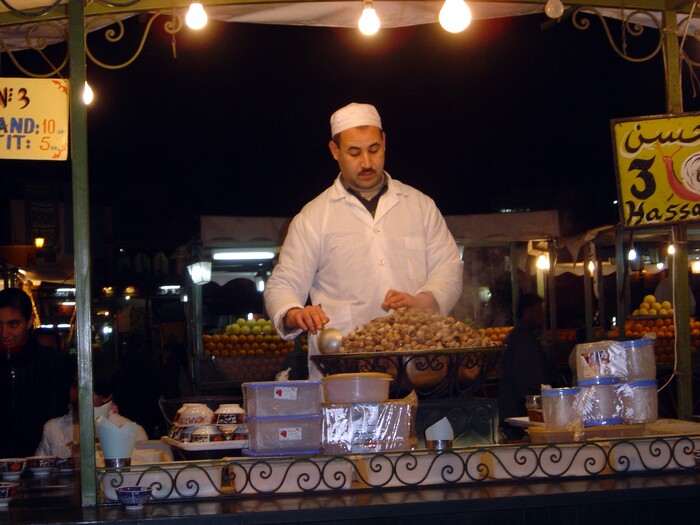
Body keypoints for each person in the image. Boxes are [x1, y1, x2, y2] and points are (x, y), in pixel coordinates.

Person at [264, 102, 464, 378]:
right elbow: (283, 283)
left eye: (374, 150)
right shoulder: (314, 216)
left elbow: (449, 267)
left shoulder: (420, 206)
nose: (367, 163)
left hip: (419, 362)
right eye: (354, 153)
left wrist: (426, 300)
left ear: (384, 142)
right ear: (335, 151)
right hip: (345, 368)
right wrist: (294, 312)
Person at [0, 287, 74, 457]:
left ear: (29, 321)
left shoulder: (56, 362)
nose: (4, 333)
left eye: (13, 324)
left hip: (44, 463)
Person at [35, 353, 148, 458]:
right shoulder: (53, 429)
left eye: (86, 389)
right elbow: (39, 473)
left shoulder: (131, 432)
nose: (78, 394)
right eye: (75, 385)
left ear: (107, 395)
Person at [497, 293, 557, 442]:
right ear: (527, 312)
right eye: (538, 310)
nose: (542, 315)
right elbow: (527, 380)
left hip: (515, 410)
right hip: (519, 414)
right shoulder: (523, 340)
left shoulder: (521, 337)